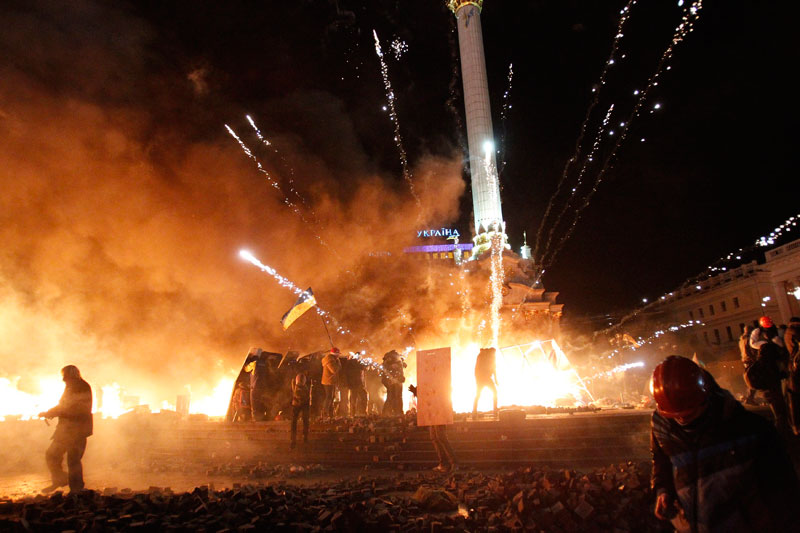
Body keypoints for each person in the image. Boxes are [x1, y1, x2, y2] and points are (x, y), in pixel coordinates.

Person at [650, 355, 798, 532]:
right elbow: (662, 459)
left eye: (687, 413)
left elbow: (783, 494)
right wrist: (663, 489)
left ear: (705, 397)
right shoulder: (663, 426)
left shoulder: (750, 430)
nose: (681, 419)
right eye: (674, 415)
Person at [38, 365, 93, 494]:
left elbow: (69, 407)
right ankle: (60, 480)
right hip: (66, 430)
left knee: (73, 460)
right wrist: (50, 412)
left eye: (65, 376)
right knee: (52, 455)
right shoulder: (73, 386)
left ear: (71, 375)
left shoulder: (80, 387)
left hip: (77, 430)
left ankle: (76, 489)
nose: (63, 379)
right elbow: (64, 405)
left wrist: (50, 413)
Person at [748, 316, 790, 432]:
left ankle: (782, 417)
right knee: (774, 394)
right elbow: (753, 344)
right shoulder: (758, 333)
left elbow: (781, 346)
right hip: (770, 369)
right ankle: (781, 417)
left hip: (774, 367)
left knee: (775, 394)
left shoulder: (774, 332)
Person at [408, 384, 456, 472]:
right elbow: (427, 395)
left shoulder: (438, 380)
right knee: (434, 437)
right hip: (432, 411)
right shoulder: (428, 379)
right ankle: (444, 463)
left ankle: (454, 463)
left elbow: (434, 393)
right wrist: (417, 391)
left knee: (441, 437)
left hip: (439, 410)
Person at [472, 347, 498, 419]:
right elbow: (493, 368)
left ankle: (474, 412)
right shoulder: (485, 356)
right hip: (483, 378)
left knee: (478, 395)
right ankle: (495, 411)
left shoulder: (483, 355)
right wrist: (495, 379)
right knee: (493, 393)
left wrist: (495, 379)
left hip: (483, 378)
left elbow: (493, 368)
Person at [785, 316, 800, 434]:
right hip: (797, 368)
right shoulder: (795, 333)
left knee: (793, 399)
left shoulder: (787, 333)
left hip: (793, 368)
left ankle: (795, 425)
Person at [290, 371, 311, 449]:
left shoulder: (296, 385)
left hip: (297, 404)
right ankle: (303, 438)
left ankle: (295, 439)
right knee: (303, 420)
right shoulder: (303, 387)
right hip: (300, 403)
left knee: (295, 421)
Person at [738, 325, 758, 405]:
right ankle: (750, 398)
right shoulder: (748, 339)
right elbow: (751, 350)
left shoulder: (741, 340)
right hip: (751, 360)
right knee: (755, 379)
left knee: (752, 379)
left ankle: (750, 397)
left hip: (745, 360)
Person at [382, 350, 405, 416]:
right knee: (394, 396)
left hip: (395, 380)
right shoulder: (392, 361)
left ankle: (393, 412)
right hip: (393, 381)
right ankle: (394, 412)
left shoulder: (394, 361)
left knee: (394, 396)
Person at [321, 347, 341, 420]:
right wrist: (338, 361)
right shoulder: (330, 361)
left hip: (330, 381)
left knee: (331, 397)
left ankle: (330, 413)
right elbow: (334, 370)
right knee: (329, 397)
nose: (339, 356)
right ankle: (325, 413)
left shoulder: (332, 360)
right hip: (328, 381)